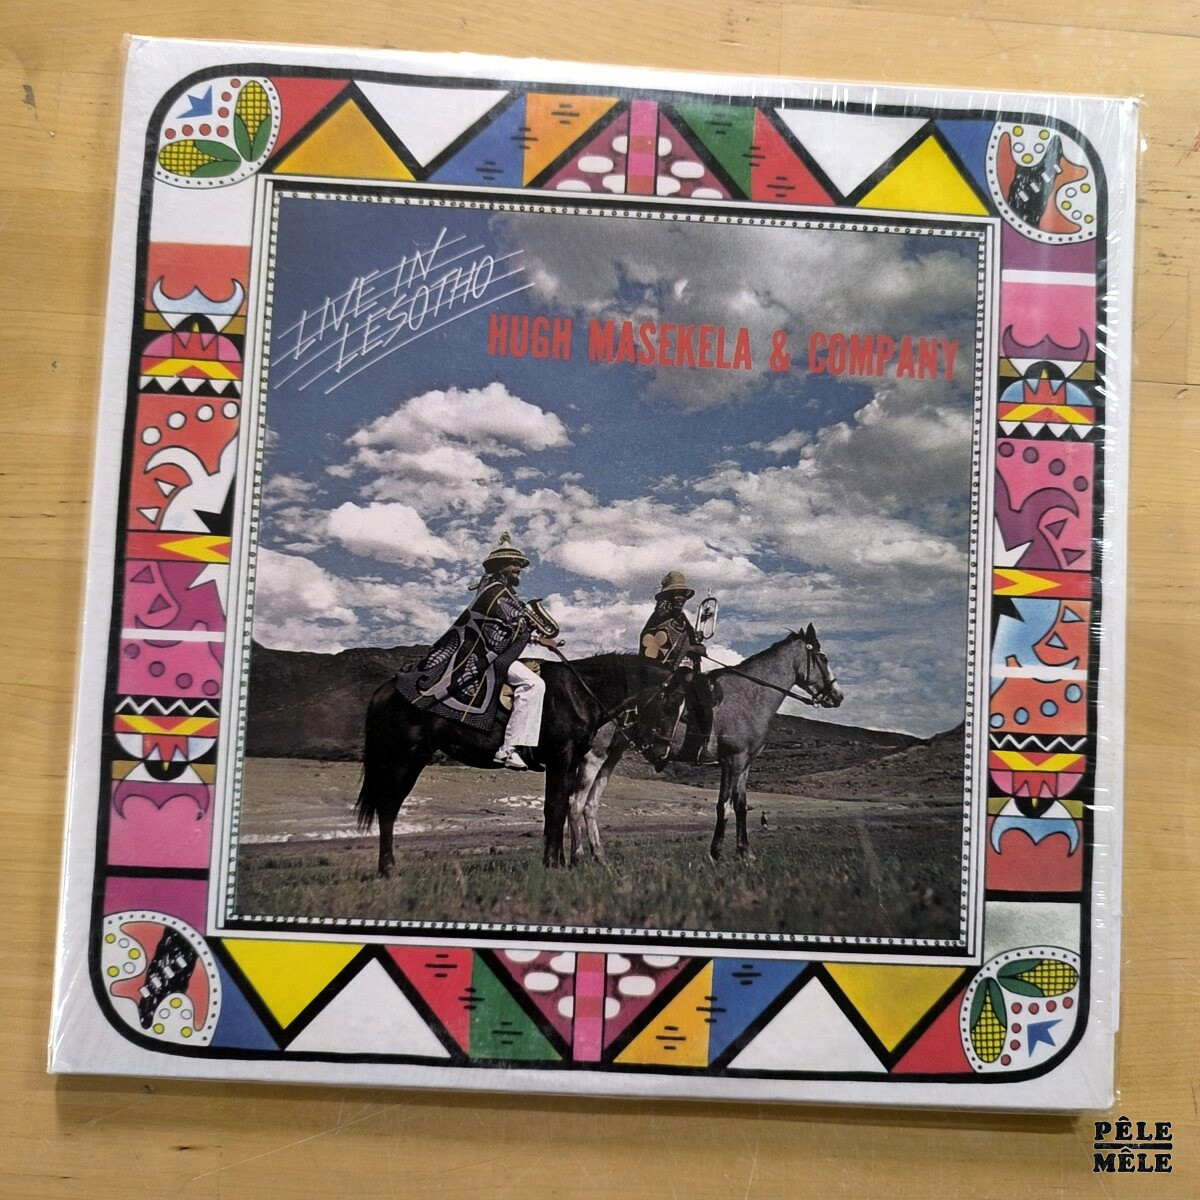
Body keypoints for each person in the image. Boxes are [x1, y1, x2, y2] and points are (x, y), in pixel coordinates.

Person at [394, 532, 561, 770]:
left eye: (519, 565)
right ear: (500, 566)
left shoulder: (498, 590)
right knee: (533, 684)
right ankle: (508, 749)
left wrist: (534, 635)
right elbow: (512, 623)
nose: (518, 569)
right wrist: (537, 635)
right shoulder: (495, 591)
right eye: (513, 565)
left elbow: (505, 626)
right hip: (485, 654)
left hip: (494, 651)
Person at [639, 570, 704, 669]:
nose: (681, 598)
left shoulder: (681, 619)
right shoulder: (659, 617)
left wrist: (694, 638)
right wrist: (690, 648)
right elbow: (657, 649)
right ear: (667, 596)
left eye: (683, 594)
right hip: (664, 673)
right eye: (676, 593)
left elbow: (694, 646)